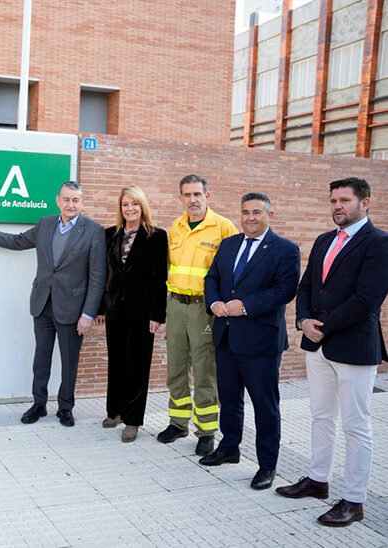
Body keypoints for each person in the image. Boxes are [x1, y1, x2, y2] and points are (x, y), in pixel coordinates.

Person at [276, 177, 388, 527]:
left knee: (356, 426)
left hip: (354, 346)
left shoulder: (379, 243)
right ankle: (317, 480)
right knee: (321, 416)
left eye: (344, 200)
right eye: (332, 201)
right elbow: (307, 284)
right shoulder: (325, 239)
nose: (337, 206)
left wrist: (321, 326)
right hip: (317, 345)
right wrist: (303, 320)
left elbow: (367, 299)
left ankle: (355, 501)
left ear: (364, 203)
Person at [0, 181, 106, 427]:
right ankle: (38, 404)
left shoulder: (93, 231)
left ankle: (65, 408)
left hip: (72, 309)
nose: (71, 204)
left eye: (76, 200)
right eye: (67, 199)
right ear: (58, 200)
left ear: (82, 203)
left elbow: (98, 276)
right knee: (41, 359)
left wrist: (88, 314)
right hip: (42, 304)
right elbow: (17, 242)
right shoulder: (45, 224)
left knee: (69, 362)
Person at [200, 192, 299, 490]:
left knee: (265, 406)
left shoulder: (285, 249)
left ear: (270, 213)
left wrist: (245, 305)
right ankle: (230, 447)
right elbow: (211, 278)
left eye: (257, 212)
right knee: (229, 399)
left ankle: (266, 465)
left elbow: (284, 291)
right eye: (245, 212)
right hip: (227, 336)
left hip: (261, 342)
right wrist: (214, 302)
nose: (250, 217)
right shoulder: (229, 244)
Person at [158, 174, 237, 456]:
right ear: (180, 198)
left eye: (197, 194)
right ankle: (178, 423)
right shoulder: (176, 227)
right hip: (176, 305)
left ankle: (206, 431)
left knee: (204, 370)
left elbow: (232, 272)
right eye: (187, 195)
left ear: (207, 196)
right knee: (176, 366)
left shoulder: (223, 227)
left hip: (205, 308)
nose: (192, 200)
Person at [96, 186, 167, 443]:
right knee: (116, 361)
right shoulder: (110, 235)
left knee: (138, 365)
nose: (130, 209)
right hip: (114, 309)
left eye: (135, 204)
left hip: (142, 311)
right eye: (126, 204)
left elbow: (160, 279)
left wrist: (157, 314)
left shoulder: (156, 236)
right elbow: (103, 275)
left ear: (142, 206)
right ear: (121, 208)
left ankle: (133, 419)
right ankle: (114, 411)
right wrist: (101, 308)